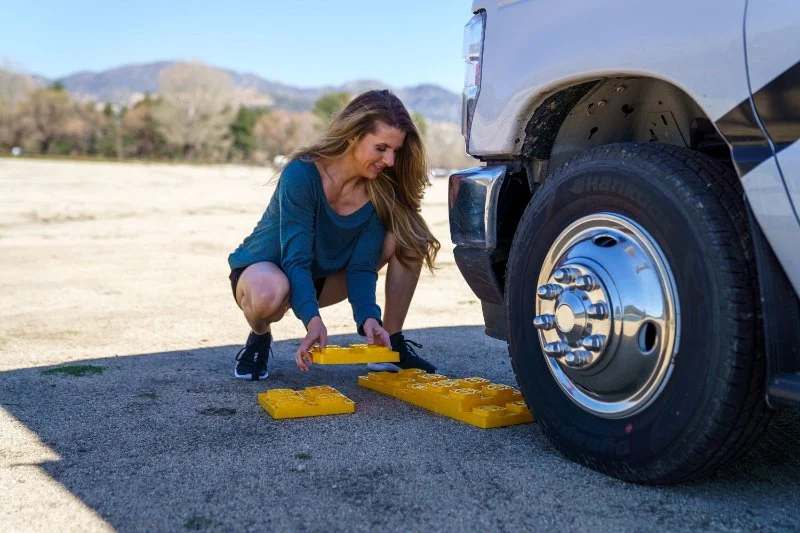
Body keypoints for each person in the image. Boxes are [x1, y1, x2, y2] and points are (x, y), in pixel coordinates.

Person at [227, 90, 440, 381]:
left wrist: (369, 319)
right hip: (266, 271)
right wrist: (313, 322)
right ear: (352, 136)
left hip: (321, 279)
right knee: (268, 294)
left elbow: (362, 268)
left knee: (409, 237)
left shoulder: (378, 190)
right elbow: (295, 259)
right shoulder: (302, 174)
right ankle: (259, 335)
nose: (390, 160)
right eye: (381, 148)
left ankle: (388, 345)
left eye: (395, 150)